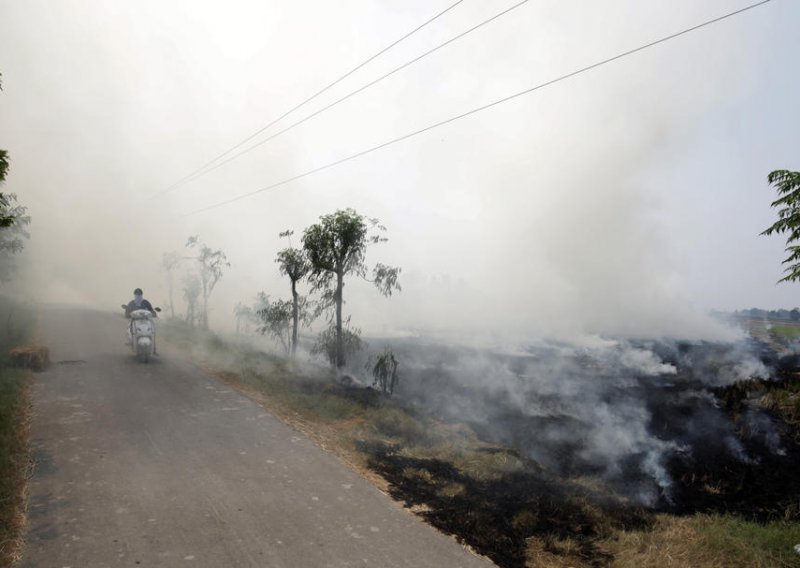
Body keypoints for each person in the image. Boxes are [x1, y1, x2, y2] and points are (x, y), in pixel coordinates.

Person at [124, 288, 158, 354]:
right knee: (129, 327)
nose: (138, 296)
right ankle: (130, 340)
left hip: (146, 321)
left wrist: (154, 313)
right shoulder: (131, 303)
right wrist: (128, 314)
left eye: (139, 294)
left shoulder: (146, 303)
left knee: (153, 331)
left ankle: (154, 348)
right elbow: (127, 312)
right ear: (134, 295)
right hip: (135, 321)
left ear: (142, 295)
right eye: (137, 294)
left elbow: (151, 310)